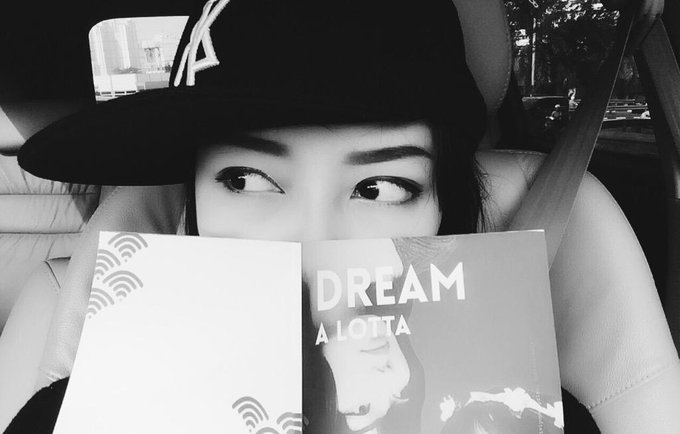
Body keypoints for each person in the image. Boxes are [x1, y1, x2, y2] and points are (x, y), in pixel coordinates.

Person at [10, 0, 486, 432]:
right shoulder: (77, 415)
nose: (312, 243)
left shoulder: (505, 406)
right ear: (192, 201)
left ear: (445, 209)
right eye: (247, 180)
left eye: (378, 189)